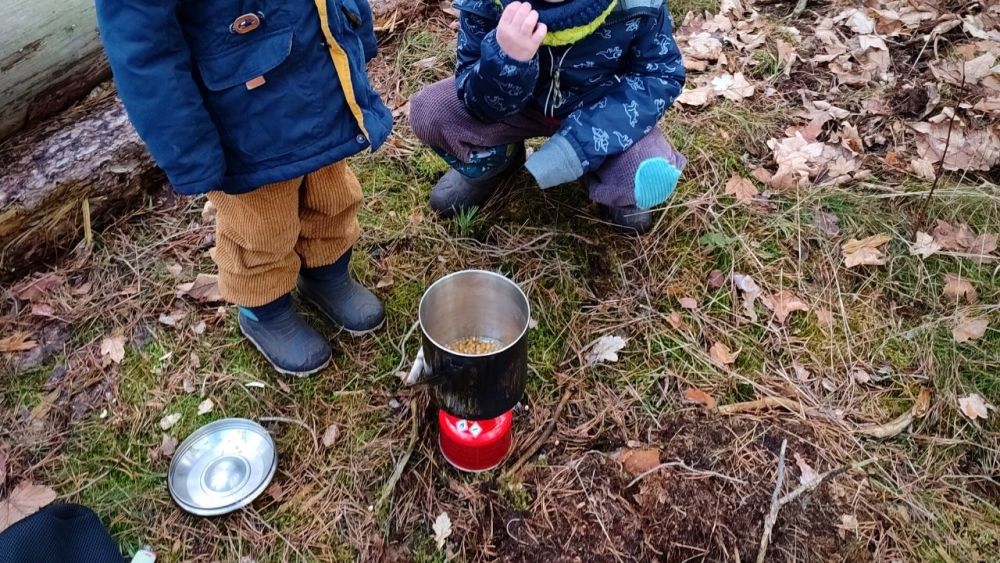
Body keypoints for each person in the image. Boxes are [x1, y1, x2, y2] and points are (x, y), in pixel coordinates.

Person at [95, 0, 393, 376]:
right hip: (241, 108)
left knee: (329, 188)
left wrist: (355, 29)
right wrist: (188, 150)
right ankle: (263, 308)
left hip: (318, 71)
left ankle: (327, 271)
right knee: (261, 222)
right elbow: (142, 49)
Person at [410, 0, 687, 234]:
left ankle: (600, 176)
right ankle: (498, 163)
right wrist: (507, 60)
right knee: (432, 111)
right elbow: (473, 98)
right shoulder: (487, 4)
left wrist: (579, 147)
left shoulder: (637, 6)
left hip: (601, 112)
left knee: (642, 172)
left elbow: (659, 75)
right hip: (519, 110)